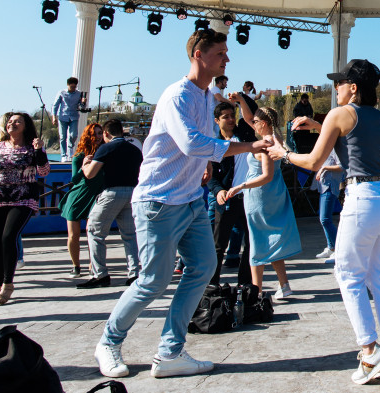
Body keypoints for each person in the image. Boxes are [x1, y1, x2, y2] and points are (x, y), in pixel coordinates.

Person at [94, 30, 270, 380]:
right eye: (220, 53)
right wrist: (250, 147)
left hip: (190, 200)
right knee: (152, 281)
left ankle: (169, 353)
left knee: (203, 267)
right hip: (158, 201)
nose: (227, 59)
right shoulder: (177, 95)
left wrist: (205, 165)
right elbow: (192, 142)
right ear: (198, 55)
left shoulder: (206, 97)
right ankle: (108, 342)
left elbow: (201, 144)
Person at [283, 59, 380, 384]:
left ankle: (369, 352)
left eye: (339, 83)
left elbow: (313, 161)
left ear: (352, 87)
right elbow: (351, 132)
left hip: (363, 199)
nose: (334, 88)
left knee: (348, 275)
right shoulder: (378, 117)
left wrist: (283, 154)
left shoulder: (339, 114)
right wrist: (317, 123)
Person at [227, 106, 299, 299]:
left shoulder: (265, 144)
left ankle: (256, 290)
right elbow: (248, 118)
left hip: (260, 195)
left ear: (264, 123)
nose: (252, 124)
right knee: (271, 239)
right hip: (275, 193)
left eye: (256, 122)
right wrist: (241, 101)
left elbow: (266, 175)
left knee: (256, 241)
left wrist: (240, 186)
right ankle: (284, 284)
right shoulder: (277, 139)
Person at [0, 112, 50, 305]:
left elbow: (44, 171)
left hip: (23, 198)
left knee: (8, 237)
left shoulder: (32, 147)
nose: (12, 124)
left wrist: (39, 151)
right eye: (10, 121)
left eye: (18, 121)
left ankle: (7, 284)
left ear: (26, 126)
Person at [77, 118, 142, 289]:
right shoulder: (135, 150)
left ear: (106, 133)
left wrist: (85, 165)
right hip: (132, 192)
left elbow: (90, 174)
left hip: (112, 192)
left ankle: (100, 274)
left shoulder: (106, 148)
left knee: (95, 231)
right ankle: (134, 273)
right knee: (130, 235)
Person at [208, 99, 252, 285]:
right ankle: (212, 285)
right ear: (217, 121)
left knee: (251, 244)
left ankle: (245, 283)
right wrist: (218, 191)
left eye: (232, 116)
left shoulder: (245, 135)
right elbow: (210, 176)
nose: (231, 119)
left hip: (249, 198)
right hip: (227, 199)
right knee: (218, 245)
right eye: (225, 117)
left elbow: (251, 115)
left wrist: (241, 99)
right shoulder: (214, 144)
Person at [59, 122, 106, 278]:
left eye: (100, 133)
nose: (97, 137)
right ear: (88, 136)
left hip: (96, 197)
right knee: (73, 235)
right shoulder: (79, 156)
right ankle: (76, 266)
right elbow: (74, 179)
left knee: (92, 232)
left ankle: (93, 264)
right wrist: (83, 165)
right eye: (94, 133)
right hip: (78, 197)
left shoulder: (105, 154)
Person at [314, 148, 344, 261]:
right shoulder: (325, 148)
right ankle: (331, 247)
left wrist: (324, 168)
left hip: (330, 186)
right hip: (323, 186)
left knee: (325, 219)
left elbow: (342, 166)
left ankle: (339, 249)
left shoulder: (335, 148)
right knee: (324, 219)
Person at [52, 77, 83, 161]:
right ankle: (63, 155)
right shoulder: (61, 93)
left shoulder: (79, 93)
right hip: (63, 116)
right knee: (63, 136)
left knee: (73, 135)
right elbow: (55, 105)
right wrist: (54, 116)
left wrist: (83, 102)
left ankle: (70, 149)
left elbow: (82, 107)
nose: (73, 89)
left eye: (74, 87)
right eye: (71, 87)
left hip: (74, 116)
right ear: (68, 85)